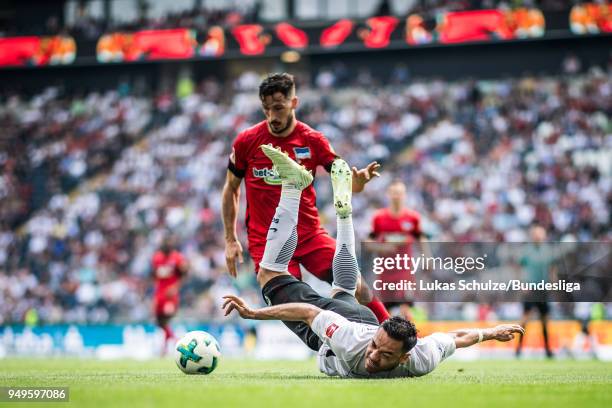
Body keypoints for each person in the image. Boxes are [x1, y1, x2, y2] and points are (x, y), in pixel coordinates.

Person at [223, 148, 524, 378]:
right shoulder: (353, 342)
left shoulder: (421, 358)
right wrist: (254, 313)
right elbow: (308, 312)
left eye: (384, 353)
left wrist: (489, 333)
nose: (374, 355)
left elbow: (455, 338)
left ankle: (343, 213)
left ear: (405, 358)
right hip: (349, 324)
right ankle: (292, 188)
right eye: (377, 346)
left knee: (343, 287)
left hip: (358, 314)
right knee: (268, 275)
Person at [222, 72, 390, 323]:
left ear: (294, 103)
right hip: (267, 240)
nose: (271, 116)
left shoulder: (313, 140)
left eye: (278, 108)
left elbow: (344, 179)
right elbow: (231, 188)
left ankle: (397, 336)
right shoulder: (247, 141)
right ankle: (340, 341)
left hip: (309, 234)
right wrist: (230, 239)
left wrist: (357, 183)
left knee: (356, 283)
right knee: (294, 304)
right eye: (266, 109)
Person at [370, 179, 429, 320]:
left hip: (404, 270)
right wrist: (382, 247)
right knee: (386, 309)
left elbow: (421, 238)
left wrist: (427, 257)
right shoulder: (379, 217)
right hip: (385, 271)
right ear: (388, 195)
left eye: (400, 193)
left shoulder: (412, 218)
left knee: (405, 305)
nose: (397, 196)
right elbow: (368, 241)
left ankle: (409, 337)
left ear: (405, 195)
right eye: (394, 193)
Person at [515, 225, 556, 359]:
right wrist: (521, 284)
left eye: (541, 233)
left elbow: (552, 269)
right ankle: (518, 348)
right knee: (525, 319)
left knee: (545, 320)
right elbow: (520, 268)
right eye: (536, 234)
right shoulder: (527, 250)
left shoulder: (548, 250)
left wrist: (553, 283)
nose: (538, 236)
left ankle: (548, 349)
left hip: (543, 289)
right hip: (530, 289)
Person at [152, 236, 188, 354]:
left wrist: (176, 287)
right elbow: (153, 274)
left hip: (170, 295)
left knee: (167, 317)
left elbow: (184, 274)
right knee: (158, 321)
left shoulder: (177, 258)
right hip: (159, 294)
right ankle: (171, 340)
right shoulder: (157, 258)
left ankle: (174, 342)